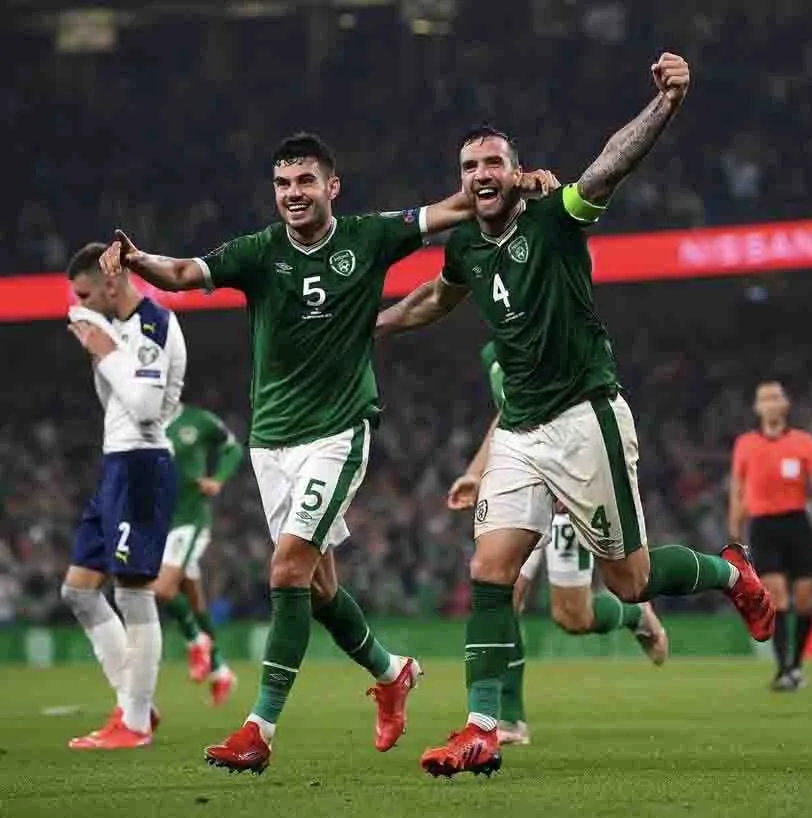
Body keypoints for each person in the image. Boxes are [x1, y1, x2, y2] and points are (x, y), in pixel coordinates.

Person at [98, 131, 557, 774]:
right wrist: (139, 259)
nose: (293, 195)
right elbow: (181, 274)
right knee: (316, 589)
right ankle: (392, 673)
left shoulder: (369, 237)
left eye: (306, 182)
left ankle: (258, 730)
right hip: (270, 443)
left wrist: (517, 182)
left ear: (331, 187)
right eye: (284, 184)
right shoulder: (258, 252)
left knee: (286, 571)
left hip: (338, 433)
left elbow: (452, 206)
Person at [376, 53, 775, 778]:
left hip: (585, 419)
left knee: (628, 581)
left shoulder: (554, 222)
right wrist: (373, 325)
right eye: (470, 165)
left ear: (515, 170)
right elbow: (437, 299)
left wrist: (665, 105)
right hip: (520, 432)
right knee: (490, 570)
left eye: (494, 161)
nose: (481, 174)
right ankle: (481, 728)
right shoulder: (465, 244)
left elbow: (607, 167)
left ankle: (729, 571)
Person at [447, 342, 668, 746]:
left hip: (571, 486)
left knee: (572, 617)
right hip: (526, 483)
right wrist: (475, 472)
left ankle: (634, 615)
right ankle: (509, 719)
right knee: (502, 590)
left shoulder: (563, 330)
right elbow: (506, 415)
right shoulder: (492, 352)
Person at [62, 241, 186, 749]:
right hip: (116, 463)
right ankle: (136, 704)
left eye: (86, 293)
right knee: (78, 591)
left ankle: (133, 724)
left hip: (141, 464)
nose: (80, 305)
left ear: (111, 283)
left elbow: (144, 405)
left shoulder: (152, 325)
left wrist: (105, 350)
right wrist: (105, 342)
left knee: (133, 592)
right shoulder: (114, 327)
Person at [729, 381, 812, 691]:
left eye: (776, 398)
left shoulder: (803, 442)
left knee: (805, 599)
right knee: (777, 597)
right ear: (758, 408)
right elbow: (738, 489)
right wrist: (735, 526)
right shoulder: (745, 444)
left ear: (785, 405)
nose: (771, 403)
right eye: (765, 399)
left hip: (798, 523)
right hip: (763, 526)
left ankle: (797, 664)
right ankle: (783, 669)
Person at [155, 402, 244, 706]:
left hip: (190, 519)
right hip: (162, 522)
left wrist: (218, 479)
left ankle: (198, 642)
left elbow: (233, 447)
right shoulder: (141, 423)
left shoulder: (198, 420)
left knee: (163, 589)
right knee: (194, 602)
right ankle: (220, 671)